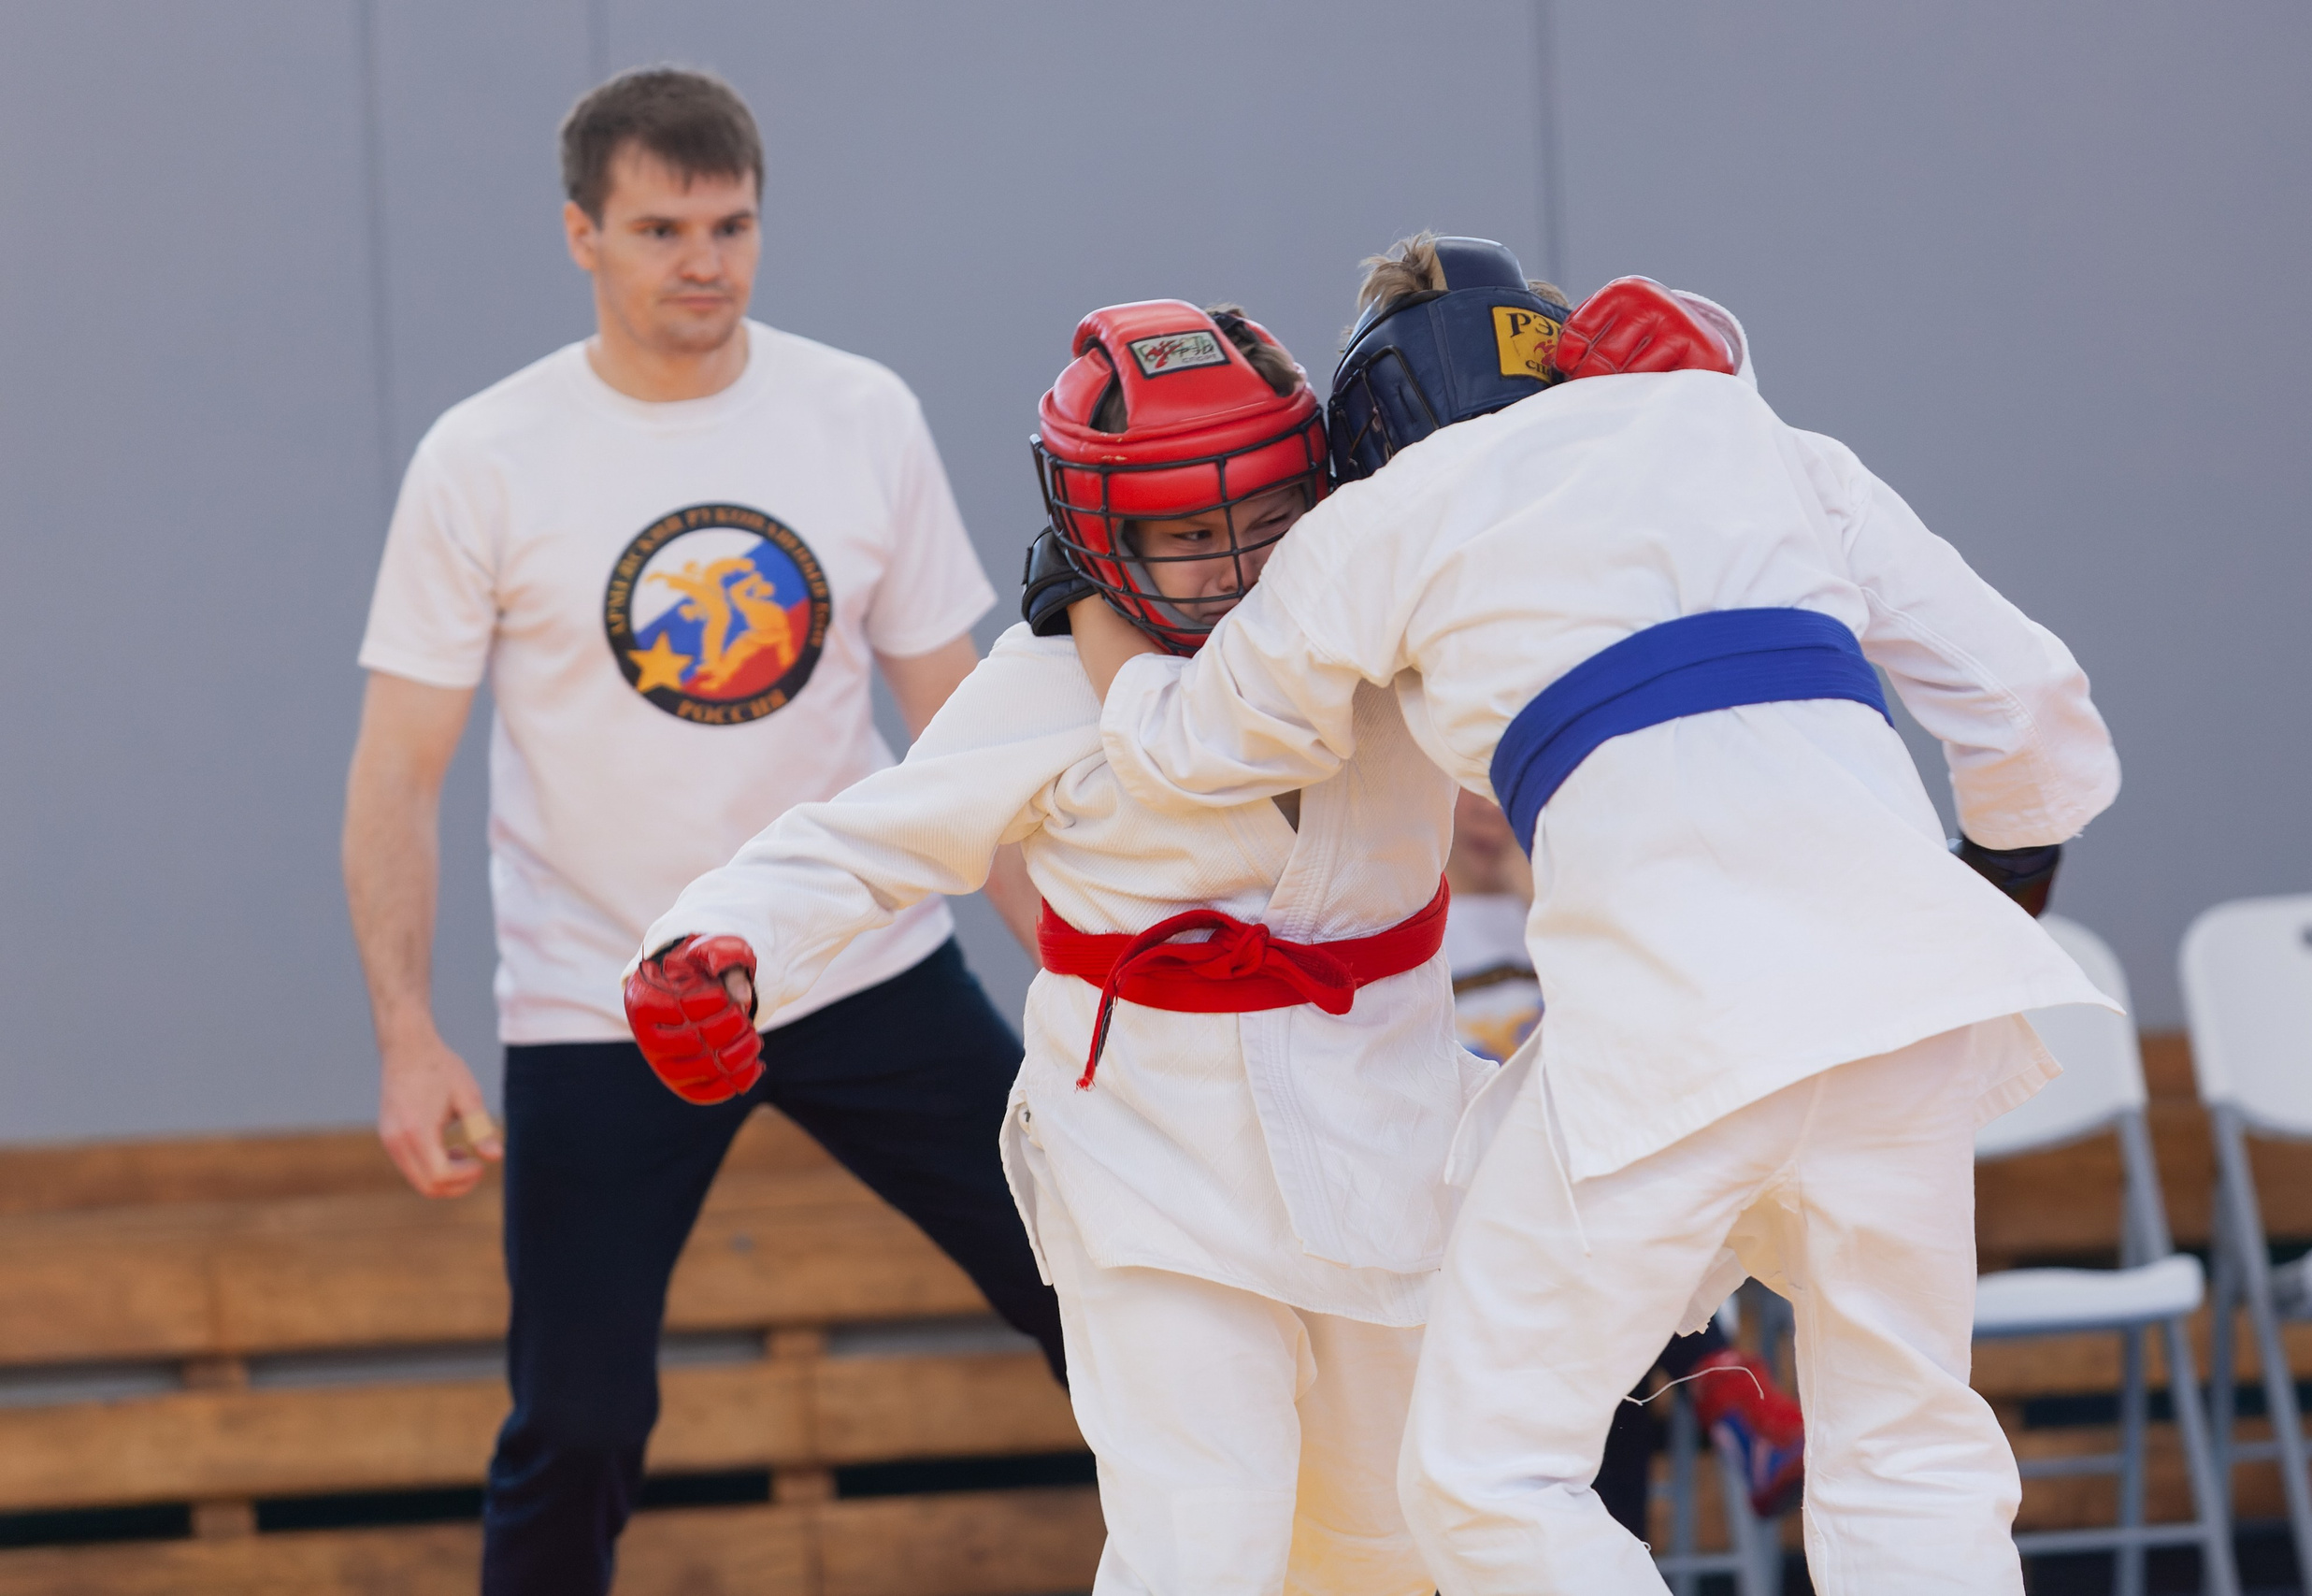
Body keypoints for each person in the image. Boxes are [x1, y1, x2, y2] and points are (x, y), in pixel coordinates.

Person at [1072, 234, 2121, 1592]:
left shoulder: (1398, 510)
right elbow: (2035, 715)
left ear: (1380, 421)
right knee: (1912, 1451)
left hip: (1668, 1028)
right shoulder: (1762, 437)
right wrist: (1989, 896)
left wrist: (1090, 610)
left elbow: (1193, 751)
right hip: (1908, 1005)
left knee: (1485, 1477)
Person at [621, 298, 1480, 1595]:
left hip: (1394, 1139)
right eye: (1187, 533)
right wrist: (716, 942)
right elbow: (861, 841)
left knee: (1386, 1539)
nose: (1237, 563)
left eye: (1267, 517)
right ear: (1099, 536)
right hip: (1149, 1165)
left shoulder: (1399, 647)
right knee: (1205, 1534)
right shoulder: (1043, 685)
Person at [340, 66, 1061, 1596]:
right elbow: (398, 768)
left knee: (1097, 1293)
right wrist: (408, 1032)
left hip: (858, 962)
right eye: (660, 227)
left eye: (731, 225)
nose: (703, 261)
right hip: (607, 993)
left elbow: (964, 736)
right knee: (580, 1419)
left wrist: (1086, 972)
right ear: (580, 235)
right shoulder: (487, 457)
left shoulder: (858, 415)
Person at [1443, 789, 1805, 1533]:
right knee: (1605, 1261)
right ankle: (1724, 1383)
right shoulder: (1418, 926)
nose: (1483, 812)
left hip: (1584, 1197)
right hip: (1470, 1194)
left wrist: (1543, 904)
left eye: (1494, 788)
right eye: (1459, 785)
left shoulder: (1560, 920)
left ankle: (1712, 1391)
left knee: (1612, 1264)